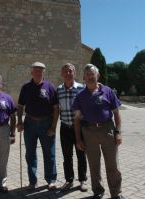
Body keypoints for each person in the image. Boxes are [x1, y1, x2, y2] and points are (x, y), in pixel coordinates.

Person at [72, 64, 123, 199]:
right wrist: (78, 139)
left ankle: (116, 193)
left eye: (92, 74)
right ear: (83, 77)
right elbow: (76, 119)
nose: (90, 77)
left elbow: (116, 114)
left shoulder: (108, 91)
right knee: (94, 166)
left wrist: (118, 132)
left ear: (98, 76)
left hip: (107, 130)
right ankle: (98, 192)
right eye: (87, 75)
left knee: (112, 164)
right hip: (89, 131)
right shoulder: (80, 96)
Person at [17, 62, 59, 190]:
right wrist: (19, 121)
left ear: (44, 72)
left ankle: (51, 180)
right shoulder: (26, 87)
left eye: (40, 70)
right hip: (29, 123)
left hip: (47, 122)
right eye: (36, 70)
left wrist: (53, 126)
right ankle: (32, 181)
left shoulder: (50, 87)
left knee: (49, 153)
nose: (38, 72)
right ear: (31, 72)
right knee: (30, 153)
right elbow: (20, 106)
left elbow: (56, 108)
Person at [57, 63, 88, 192]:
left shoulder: (82, 88)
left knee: (81, 154)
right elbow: (55, 108)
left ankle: (82, 181)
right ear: (62, 74)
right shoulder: (58, 90)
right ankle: (69, 180)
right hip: (65, 127)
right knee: (67, 156)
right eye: (65, 71)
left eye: (70, 71)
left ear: (74, 73)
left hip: (80, 128)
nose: (68, 74)